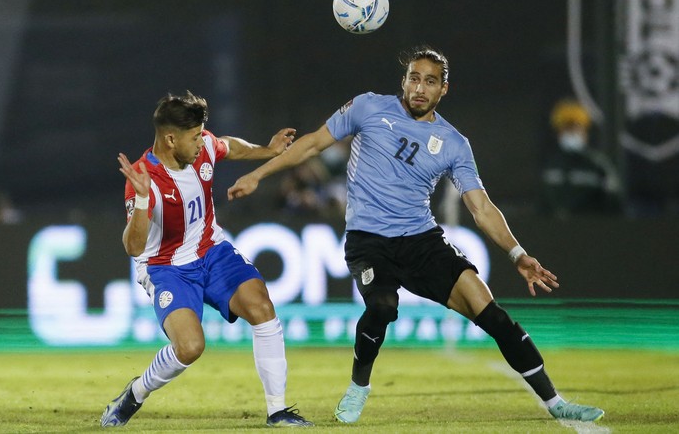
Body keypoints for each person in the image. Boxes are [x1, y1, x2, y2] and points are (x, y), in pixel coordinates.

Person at [227, 46, 605, 424]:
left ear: (444, 90)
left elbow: (481, 208)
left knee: (494, 316)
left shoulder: (454, 143)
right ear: (403, 82)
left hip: (422, 241)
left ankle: (556, 403)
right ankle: (360, 385)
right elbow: (311, 144)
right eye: (413, 78)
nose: (420, 88)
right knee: (382, 307)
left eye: (430, 81)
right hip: (368, 240)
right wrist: (258, 175)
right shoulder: (367, 108)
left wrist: (517, 254)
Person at [100, 91, 313, 428]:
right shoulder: (144, 179)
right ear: (171, 139)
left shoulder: (204, 147)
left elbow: (228, 145)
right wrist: (141, 201)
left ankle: (278, 411)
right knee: (189, 347)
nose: (202, 142)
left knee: (261, 308)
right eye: (195, 136)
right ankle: (135, 394)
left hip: (212, 251)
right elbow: (133, 247)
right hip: (166, 268)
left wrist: (267, 150)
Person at [541, 98, 622, 218]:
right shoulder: (550, 165)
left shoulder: (598, 164)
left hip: (592, 230)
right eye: (566, 128)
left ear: (585, 132)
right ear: (558, 133)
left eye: (576, 127)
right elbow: (543, 204)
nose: (571, 133)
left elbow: (614, 201)